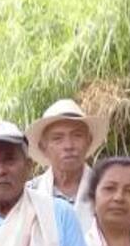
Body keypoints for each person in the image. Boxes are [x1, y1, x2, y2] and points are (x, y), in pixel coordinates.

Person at [26, 99, 108, 232]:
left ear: (89, 141)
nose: (69, 146)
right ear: (43, 147)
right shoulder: (29, 193)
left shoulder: (107, 190)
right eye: (57, 138)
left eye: (77, 135)